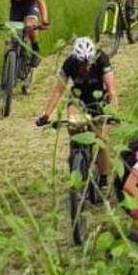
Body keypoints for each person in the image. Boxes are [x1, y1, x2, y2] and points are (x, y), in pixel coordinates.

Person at [35, 37, 118, 193]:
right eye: (82, 64)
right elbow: (58, 91)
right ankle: (76, 155)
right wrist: (46, 114)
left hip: (97, 100)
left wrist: (113, 113)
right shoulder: (69, 63)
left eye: (88, 64)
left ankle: (103, 177)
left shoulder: (102, 59)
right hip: (78, 99)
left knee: (100, 140)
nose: (85, 67)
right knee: (72, 125)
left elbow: (111, 90)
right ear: (76, 60)